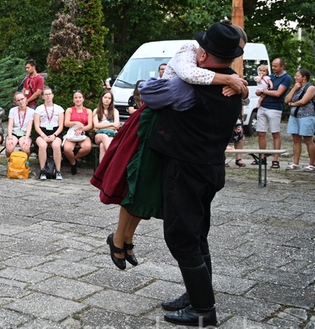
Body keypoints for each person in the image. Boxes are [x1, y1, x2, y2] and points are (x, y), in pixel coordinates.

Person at [103, 21, 249, 271]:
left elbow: (232, 95)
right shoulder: (188, 52)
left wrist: (238, 86)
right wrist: (227, 78)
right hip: (152, 127)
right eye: (230, 51)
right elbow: (186, 77)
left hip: (173, 138)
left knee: (149, 190)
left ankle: (126, 238)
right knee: (137, 184)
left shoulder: (218, 74)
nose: (230, 58)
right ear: (207, 50)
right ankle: (118, 238)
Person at [140, 22, 244, 327]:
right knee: (197, 234)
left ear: (205, 56)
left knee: (182, 237)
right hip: (211, 169)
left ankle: (203, 309)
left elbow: (148, 93)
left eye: (200, 48)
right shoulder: (234, 86)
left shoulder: (184, 86)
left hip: (185, 169)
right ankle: (197, 292)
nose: (195, 50)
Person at [255, 58, 292, 169]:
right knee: (261, 133)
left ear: (282, 66)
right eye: (272, 65)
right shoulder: (270, 77)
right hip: (263, 106)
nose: (273, 68)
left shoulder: (286, 78)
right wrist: (260, 91)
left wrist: (263, 91)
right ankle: (262, 157)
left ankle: (276, 159)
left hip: (274, 108)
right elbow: (260, 89)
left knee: (275, 133)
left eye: (275, 66)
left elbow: (278, 93)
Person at [285, 69, 315, 171]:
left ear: (304, 77)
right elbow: (286, 100)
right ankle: (295, 163)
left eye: (297, 76)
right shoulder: (296, 88)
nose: (295, 77)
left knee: (308, 140)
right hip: (294, 116)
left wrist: (292, 104)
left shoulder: (310, 88)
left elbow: (303, 101)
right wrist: (294, 89)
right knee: (296, 140)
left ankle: (312, 164)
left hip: (307, 116)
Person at [34, 88, 64, 180]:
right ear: (43, 97)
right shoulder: (39, 109)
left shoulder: (59, 109)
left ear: (53, 95)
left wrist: (54, 135)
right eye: (46, 94)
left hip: (55, 132)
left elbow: (61, 126)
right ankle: (43, 171)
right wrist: (43, 136)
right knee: (43, 146)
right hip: (42, 132)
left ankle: (58, 171)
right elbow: (36, 126)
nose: (48, 96)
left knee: (56, 146)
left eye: (49, 94)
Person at [63, 90, 93, 175]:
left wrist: (82, 129)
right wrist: (76, 123)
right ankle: (73, 164)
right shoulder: (69, 110)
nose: (78, 99)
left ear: (83, 99)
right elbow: (66, 123)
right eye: (76, 98)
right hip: (72, 133)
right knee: (67, 149)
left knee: (87, 147)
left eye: (80, 97)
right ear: (73, 100)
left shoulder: (88, 111)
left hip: (83, 133)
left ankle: (73, 159)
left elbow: (90, 125)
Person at [6, 92, 35, 158]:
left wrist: (27, 138)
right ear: (16, 102)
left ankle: (25, 162)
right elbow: (10, 125)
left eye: (22, 99)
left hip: (25, 134)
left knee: (26, 148)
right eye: (18, 100)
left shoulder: (32, 111)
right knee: (9, 148)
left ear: (26, 99)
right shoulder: (12, 110)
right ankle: (10, 161)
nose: (21, 101)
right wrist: (10, 137)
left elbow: (29, 126)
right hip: (14, 133)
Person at [93, 90, 120, 159]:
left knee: (102, 146)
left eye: (109, 98)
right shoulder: (96, 110)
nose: (107, 99)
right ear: (102, 98)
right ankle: (113, 157)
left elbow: (117, 126)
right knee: (104, 137)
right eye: (105, 97)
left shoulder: (115, 111)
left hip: (111, 134)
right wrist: (112, 124)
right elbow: (96, 125)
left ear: (111, 100)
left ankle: (102, 166)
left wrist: (101, 126)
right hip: (99, 135)